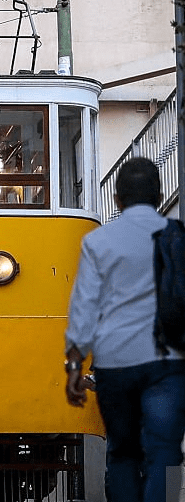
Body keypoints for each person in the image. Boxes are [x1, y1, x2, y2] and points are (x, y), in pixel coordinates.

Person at [65, 157, 185, 502]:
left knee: (123, 452)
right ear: (160, 194)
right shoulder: (177, 236)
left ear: (117, 199)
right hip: (168, 360)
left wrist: (74, 366)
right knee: (166, 451)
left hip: (115, 363)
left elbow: (84, 309)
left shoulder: (98, 242)